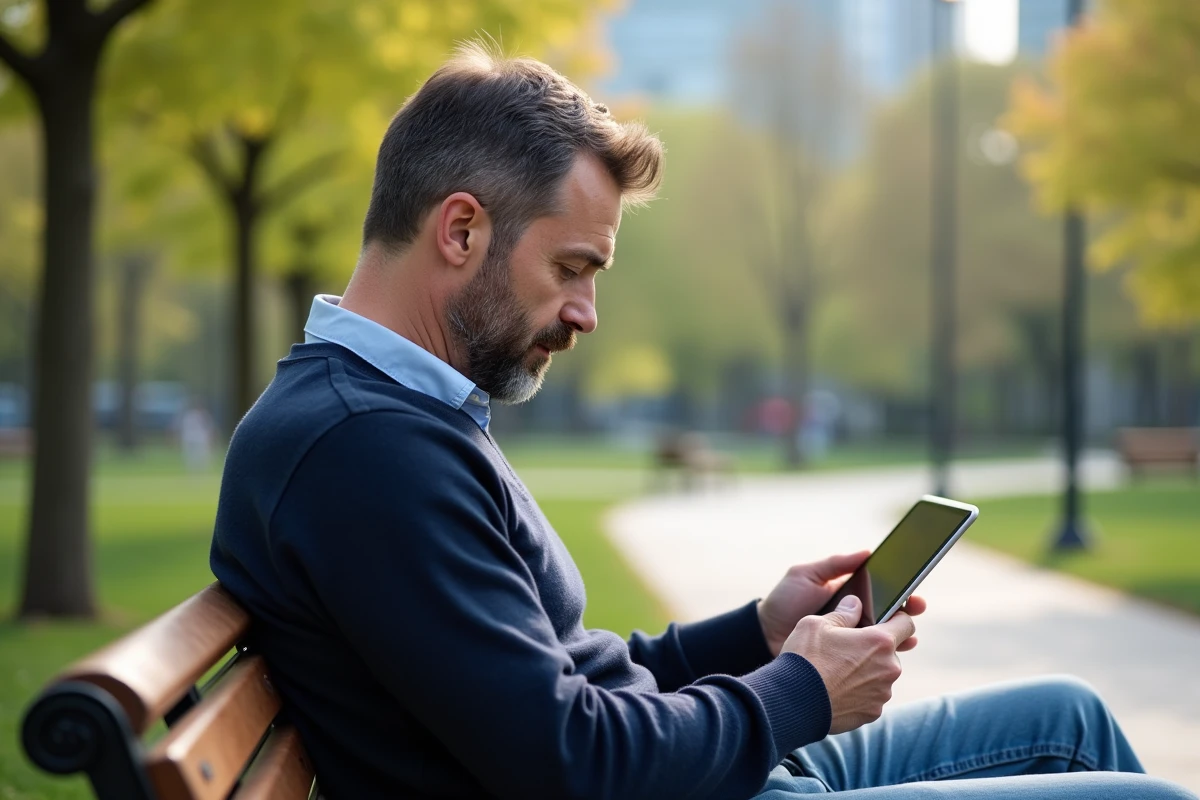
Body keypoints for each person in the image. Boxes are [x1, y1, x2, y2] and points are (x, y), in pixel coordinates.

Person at [209, 42, 1195, 800]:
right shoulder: (363, 449)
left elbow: (572, 684)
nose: (587, 316)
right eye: (571, 269)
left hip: (710, 771)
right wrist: (802, 692)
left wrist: (759, 634)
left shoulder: (395, 417)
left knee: (1070, 712)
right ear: (461, 230)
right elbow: (570, 758)